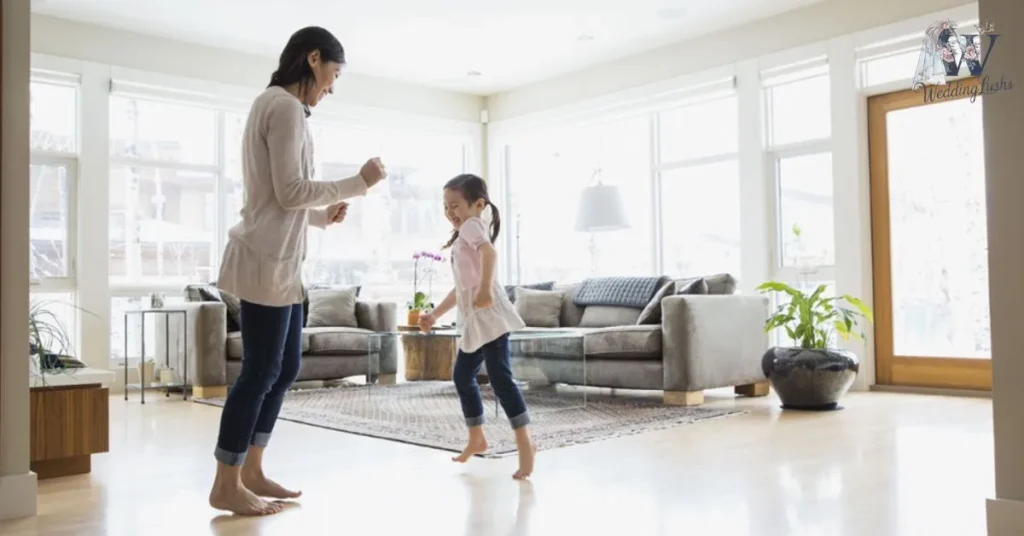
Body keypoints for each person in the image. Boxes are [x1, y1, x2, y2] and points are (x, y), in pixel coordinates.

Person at [208, 26, 387, 516]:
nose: (331, 86)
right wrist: (357, 183)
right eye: (331, 73)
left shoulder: (280, 107)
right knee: (260, 371)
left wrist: (319, 215)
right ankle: (226, 481)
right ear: (313, 59)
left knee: (283, 368)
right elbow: (289, 192)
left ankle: (252, 469)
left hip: (282, 264)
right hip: (265, 263)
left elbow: (277, 197)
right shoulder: (284, 106)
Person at [418, 174, 537, 480]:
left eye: (455, 205)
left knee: (500, 378)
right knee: (462, 375)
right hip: (475, 315)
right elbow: (461, 289)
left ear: (478, 204)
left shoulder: (472, 226)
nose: (450, 212)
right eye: (446, 207)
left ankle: (525, 442)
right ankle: (476, 436)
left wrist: (485, 288)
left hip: (489, 313)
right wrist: (435, 315)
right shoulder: (461, 236)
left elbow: (490, 253)